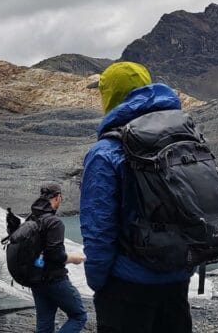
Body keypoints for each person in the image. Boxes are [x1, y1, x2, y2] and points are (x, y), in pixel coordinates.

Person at [80, 62, 194, 333]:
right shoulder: (183, 138)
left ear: (112, 95)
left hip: (127, 284)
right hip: (177, 278)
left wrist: (99, 282)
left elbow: (98, 227)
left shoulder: (106, 151)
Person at [29, 183, 87, 333]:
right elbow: (56, 255)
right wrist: (73, 258)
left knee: (44, 325)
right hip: (55, 279)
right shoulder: (54, 222)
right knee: (79, 315)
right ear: (57, 197)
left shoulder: (32, 219)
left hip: (36, 280)